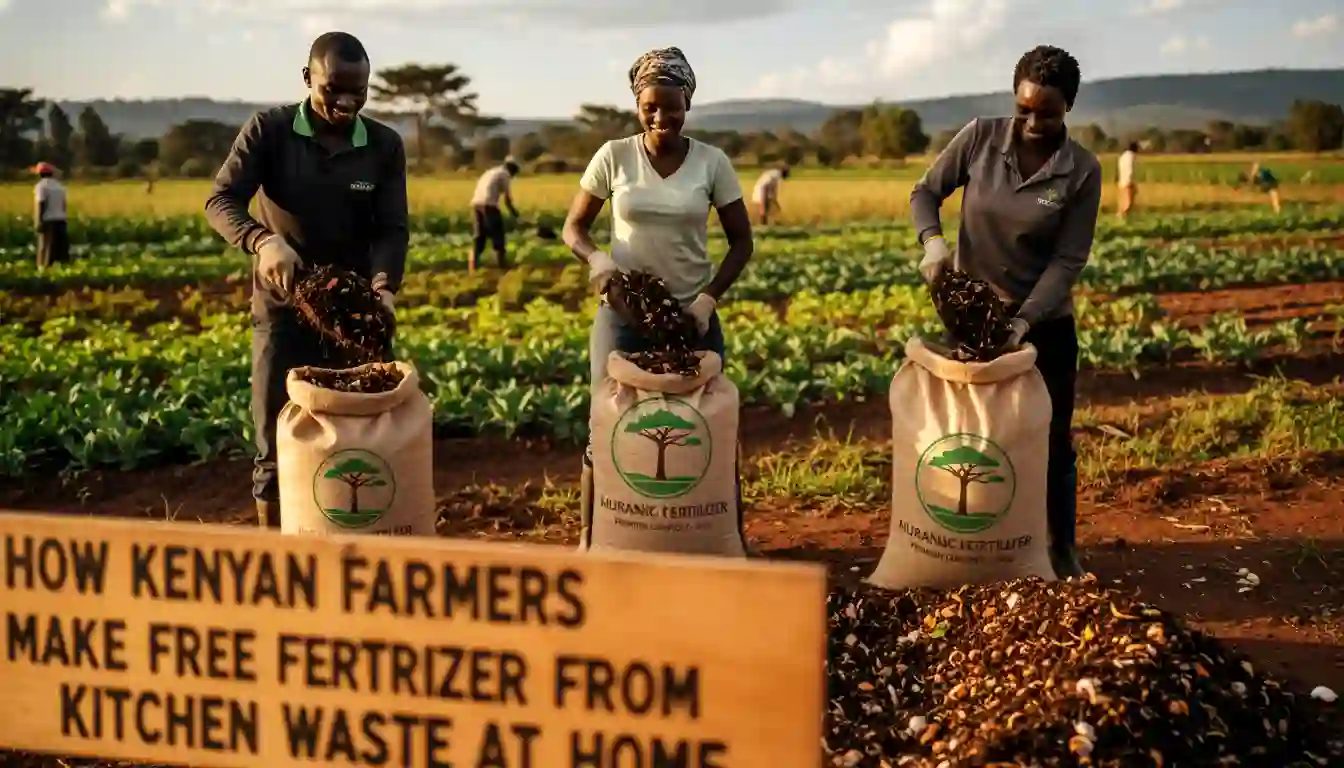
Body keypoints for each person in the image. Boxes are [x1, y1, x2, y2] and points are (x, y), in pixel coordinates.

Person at [909, 45, 1102, 579]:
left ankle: (1060, 547)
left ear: (1069, 108)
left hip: (1045, 325)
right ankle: (981, 540)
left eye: (1047, 112)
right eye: (1024, 108)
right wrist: (932, 243)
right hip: (974, 320)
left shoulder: (1081, 170)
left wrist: (1024, 323)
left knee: (1051, 438)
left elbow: (1068, 259)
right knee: (974, 435)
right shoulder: (980, 137)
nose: (1033, 121)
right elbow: (925, 191)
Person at [204, 31, 409, 530]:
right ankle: (279, 551)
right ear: (307, 79)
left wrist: (383, 288)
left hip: (355, 314)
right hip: (283, 308)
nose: (346, 101)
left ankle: (353, 542)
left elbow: (392, 228)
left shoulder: (383, 145)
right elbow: (220, 200)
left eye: (358, 91)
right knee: (274, 436)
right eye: (334, 88)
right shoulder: (269, 131)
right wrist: (261, 240)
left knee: (359, 435)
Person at [561, 46, 754, 537]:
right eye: (650, 106)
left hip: (692, 316)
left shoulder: (712, 163)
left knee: (711, 431)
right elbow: (574, 229)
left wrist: (707, 300)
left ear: (688, 103)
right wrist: (600, 262)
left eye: (672, 106)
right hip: (624, 312)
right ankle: (592, 541)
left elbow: (741, 242)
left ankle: (728, 544)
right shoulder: (614, 155)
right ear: (637, 105)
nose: (661, 116)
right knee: (604, 427)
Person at [469, 157, 521, 271]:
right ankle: (502, 265)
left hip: (476, 204)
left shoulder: (491, 171)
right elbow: (507, 200)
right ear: (512, 169)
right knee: (498, 235)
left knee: (479, 236)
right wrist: (516, 215)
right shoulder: (505, 174)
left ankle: (473, 265)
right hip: (489, 205)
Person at [32, 162, 69, 270]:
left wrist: (38, 221)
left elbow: (41, 204)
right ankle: (60, 271)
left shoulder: (41, 187)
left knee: (44, 247)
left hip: (48, 220)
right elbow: (64, 205)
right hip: (61, 220)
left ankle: (43, 269)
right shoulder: (60, 187)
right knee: (58, 249)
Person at [1117, 142, 1138, 219]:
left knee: (1122, 203)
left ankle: (1120, 218)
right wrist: (1132, 183)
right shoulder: (1132, 157)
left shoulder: (1123, 156)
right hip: (1128, 182)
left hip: (1121, 182)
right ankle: (1122, 217)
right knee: (1128, 203)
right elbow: (1130, 170)